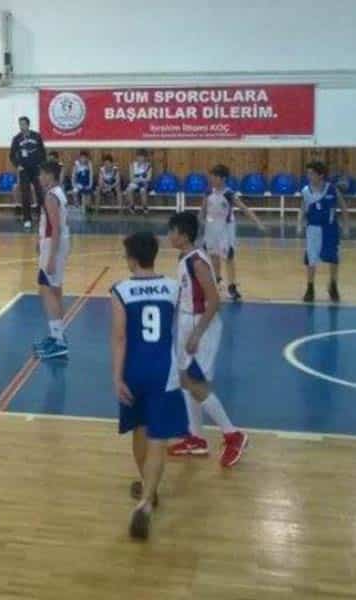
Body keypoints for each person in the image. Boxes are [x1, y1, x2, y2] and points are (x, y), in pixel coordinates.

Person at [111, 231, 188, 539]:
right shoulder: (173, 288)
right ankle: (145, 501)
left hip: (134, 370)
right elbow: (179, 329)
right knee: (159, 438)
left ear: (131, 259)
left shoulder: (121, 290)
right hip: (163, 370)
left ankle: (147, 486)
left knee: (139, 429)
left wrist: (117, 377)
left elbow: (120, 338)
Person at [166, 212, 248, 468]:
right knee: (185, 380)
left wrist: (197, 332)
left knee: (196, 383)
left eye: (172, 231)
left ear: (183, 235)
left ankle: (233, 434)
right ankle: (196, 438)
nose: (169, 235)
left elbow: (214, 300)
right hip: (187, 322)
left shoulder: (197, 262)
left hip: (201, 325)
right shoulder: (185, 258)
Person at [201, 164, 266, 301]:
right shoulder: (208, 193)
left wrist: (257, 222)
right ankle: (217, 281)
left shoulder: (229, 194)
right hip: (210, 228)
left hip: (226, 229)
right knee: (213, 256)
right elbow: (203, 210)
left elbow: (244, 209)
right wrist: (196, 223)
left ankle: (232, 287)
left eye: (214, 177)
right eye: (211, 177)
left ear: (223, 178)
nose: (211, 179)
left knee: (228, 257)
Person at [32, 162, 70, 359]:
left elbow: (56, 228)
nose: (39, 177)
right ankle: (57, 335)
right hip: (56, 243)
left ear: (49, 175)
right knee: (54, 290)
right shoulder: (58, 192)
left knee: (46, 289)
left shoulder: (50, 196)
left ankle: (59, 341)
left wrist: (52, 257)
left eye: (41, 174)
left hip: (53, 244)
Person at [298, 160, 350, 302]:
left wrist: (346, 226)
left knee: (333, 258)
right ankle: (310, 288)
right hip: (313, 228)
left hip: (330, 228)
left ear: (320, 175)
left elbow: (343, 208)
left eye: (311, 173)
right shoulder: (306, 191)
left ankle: (333, 285)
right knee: (311, 259)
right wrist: (299, 224)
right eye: (308, 173)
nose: (308, 176)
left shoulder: (332, 189)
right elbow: (302, 209)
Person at [9, 116, 47, 232]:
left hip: (36, 169)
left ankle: (42, 217)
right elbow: (11, 155)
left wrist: (41, 165)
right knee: (25, 194)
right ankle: (27, 219)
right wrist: (17, 165)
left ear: (28, 125)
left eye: (23, 124)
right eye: (20, 124)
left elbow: (43, 152)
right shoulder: (17, 139)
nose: (22, 126)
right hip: (24, 170)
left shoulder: (36, 136)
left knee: (39, 193)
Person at [124, 150, 152, 214]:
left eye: (142, 157)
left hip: (144, 183)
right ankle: (132, 206)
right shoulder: (132, 165)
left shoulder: (148, 166)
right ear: (136, 157)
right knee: (128, 190)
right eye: (139, 157)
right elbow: (131, 178)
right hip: (135, 183)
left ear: (145, 158)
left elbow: (148, 178)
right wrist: (138, 180)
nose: (140, 159)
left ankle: (145, 207)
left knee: (142, 190)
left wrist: (141, 180)